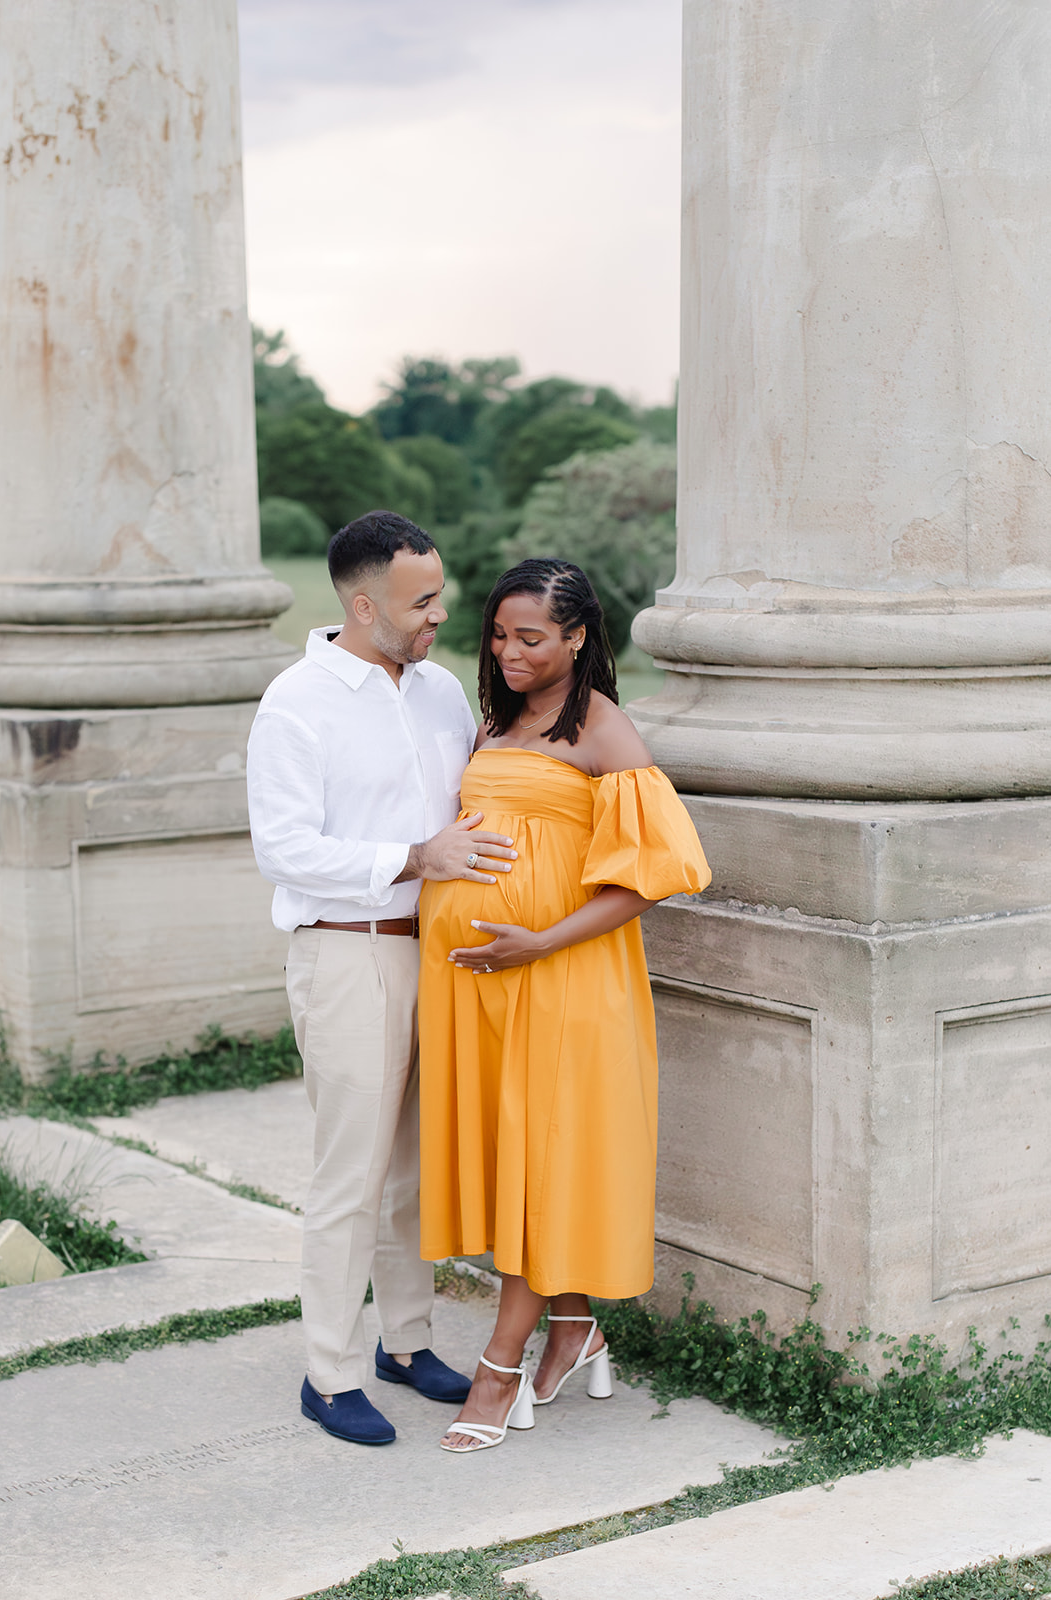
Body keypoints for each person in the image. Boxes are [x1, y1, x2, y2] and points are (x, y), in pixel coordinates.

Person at [418, 557, 711, 1452]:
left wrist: (538, 940)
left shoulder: (603, 729)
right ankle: (574, 1329)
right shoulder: (495, 721)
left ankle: (500, 1367)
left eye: (531, 638)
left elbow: (656, 876)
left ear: (577, 636)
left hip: (563, 978)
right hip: (479, 988)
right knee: (521, 1162)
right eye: (499, 635)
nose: (508, 651)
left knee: (540, 1165)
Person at [246, 510, 520, 1447]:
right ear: (365, 606)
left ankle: (406, 1344)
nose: (441, 615)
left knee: (412, 1170)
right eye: (423, 601)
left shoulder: (441, 692)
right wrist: (415, 858)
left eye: (440, 595)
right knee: (350, 1175)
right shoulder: (295, 703)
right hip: (347, 951)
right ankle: (329, 1372)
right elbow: (283, 850)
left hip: (439, 953)